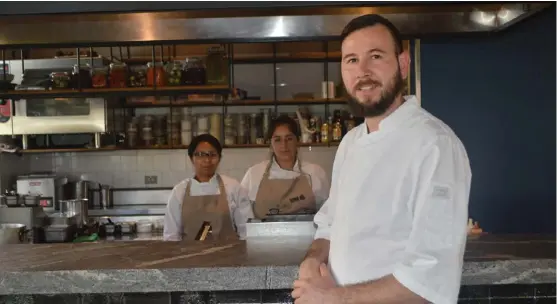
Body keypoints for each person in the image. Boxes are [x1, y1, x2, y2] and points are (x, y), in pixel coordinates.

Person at [292, 14, 472, 304]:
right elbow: (329, 225)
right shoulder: (351, 143)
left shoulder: (435, 145)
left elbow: (430, 278)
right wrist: (312, 260)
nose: (362, 71)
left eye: (375, 56)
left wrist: (333, 298)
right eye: (351, 60)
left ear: (402, 64)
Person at [163, 134, 254, 241]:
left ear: (219, 158)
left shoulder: (233, 188)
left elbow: (247, 231)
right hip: (189, 256)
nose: (207, 160)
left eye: (212, 154)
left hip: (229, 256)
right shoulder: (179, 192)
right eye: (200, 154)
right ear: (191, 158)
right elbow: (171, 235)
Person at [241, 115, 330, 219]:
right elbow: (242, 215)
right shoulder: (254, 174)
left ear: (298, 140)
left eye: (289, 138)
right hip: (263, 235)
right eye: (278, 140)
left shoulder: (315, 173)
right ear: (270, 143)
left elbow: (328, 213)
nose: (284, 145)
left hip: (306, 235)